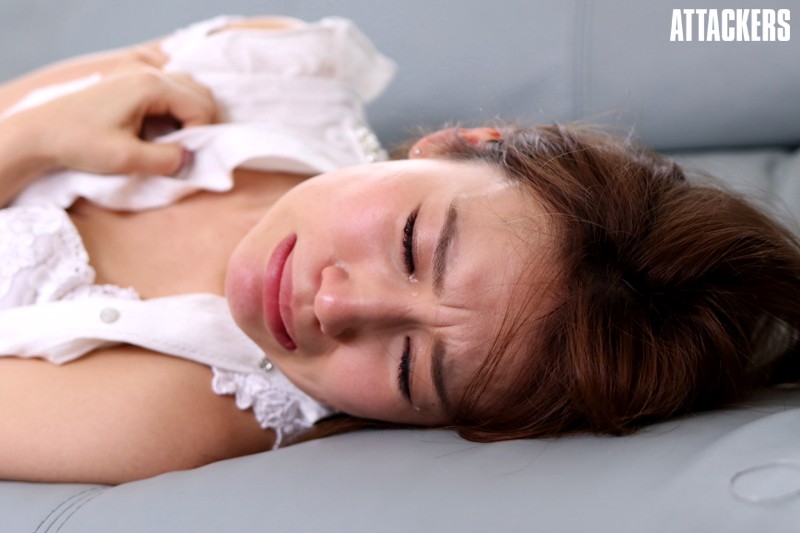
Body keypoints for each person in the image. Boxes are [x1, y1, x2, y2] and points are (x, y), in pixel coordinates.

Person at [0, 16, 799, 485]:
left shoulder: (184, 409)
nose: (336, 304)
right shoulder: (271, 69)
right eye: (414, 245)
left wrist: (27, 140)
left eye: (412, 366)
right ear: (460, 143)